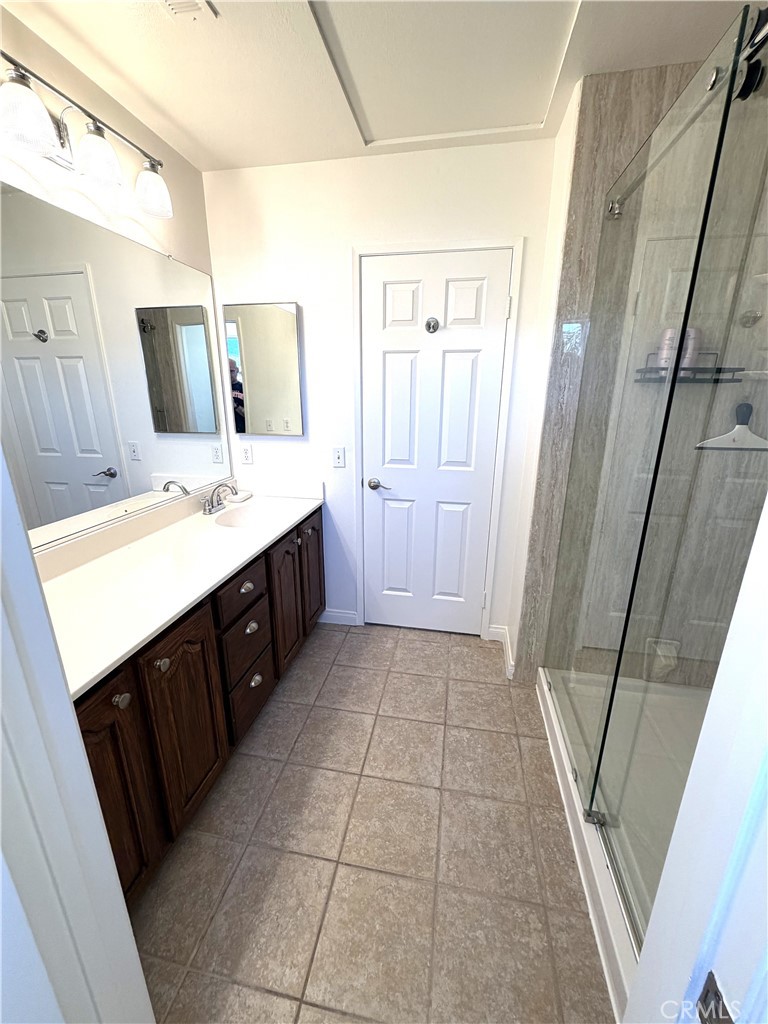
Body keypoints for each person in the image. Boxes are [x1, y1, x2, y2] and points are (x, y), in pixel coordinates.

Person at [229, 358, 246, 433]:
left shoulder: (244, 388)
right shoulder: (220, 390)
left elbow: (249, 415)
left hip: (242, 432)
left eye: (231, 371)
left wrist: (235, 406)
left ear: (237, 370)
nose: (229, 374)